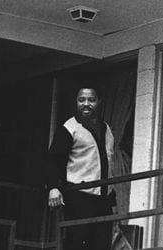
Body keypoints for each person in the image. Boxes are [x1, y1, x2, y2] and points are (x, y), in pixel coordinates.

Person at [47, 85, 116, 250]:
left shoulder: (107, 129)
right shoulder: (69, 128)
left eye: (91, 100)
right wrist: (53, 187)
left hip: (103, 200)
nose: (86, 104)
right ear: (76, 102)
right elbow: (53, 160)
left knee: (102, 245)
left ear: (99, 102)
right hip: (79, 197)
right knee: (77, 244)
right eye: (81, 100)